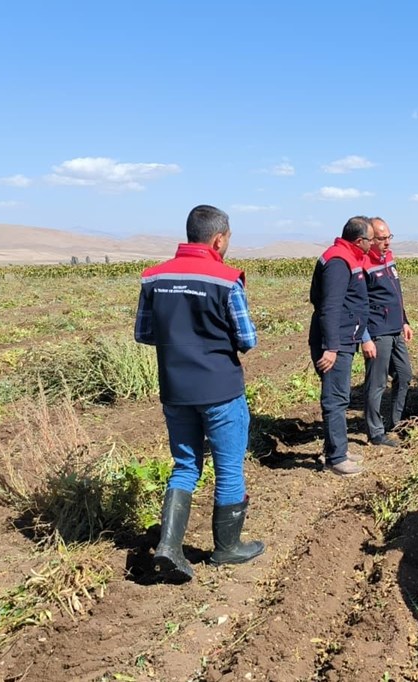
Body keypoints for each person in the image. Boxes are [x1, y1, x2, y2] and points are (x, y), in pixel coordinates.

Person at [135, 204, 264, 584]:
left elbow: (144, 333)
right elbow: (248, 339)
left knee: (185, 465)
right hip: (220, 389)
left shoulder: (153, 278)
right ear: (219, 238)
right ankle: (227, 548)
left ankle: (169, 548)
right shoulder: (226, 279)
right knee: (228, 467)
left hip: (175, 389)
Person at [309, 216, 373, 476]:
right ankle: (336, 458)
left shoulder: (347, 256)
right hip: (336, 341)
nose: (372, 244)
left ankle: (338, 449)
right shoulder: (338, 261)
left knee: (340, 396)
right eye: (370, 239)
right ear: (359, 241)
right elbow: (330, 306)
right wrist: (331, 347)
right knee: (335, 399)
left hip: (345, 337)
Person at [361, 217, 413, 447]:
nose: (387, 243)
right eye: (382, 239)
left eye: (389, 237)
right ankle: (375, 432)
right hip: (377, 332)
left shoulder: (388, 259)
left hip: (395, 328)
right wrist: (365, 338)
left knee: (404, 375)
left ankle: (397, 422)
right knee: (377, 383)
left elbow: (396, 295)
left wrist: (404, 320)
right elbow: (357, 303)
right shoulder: (363, 265)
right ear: (370, 240)